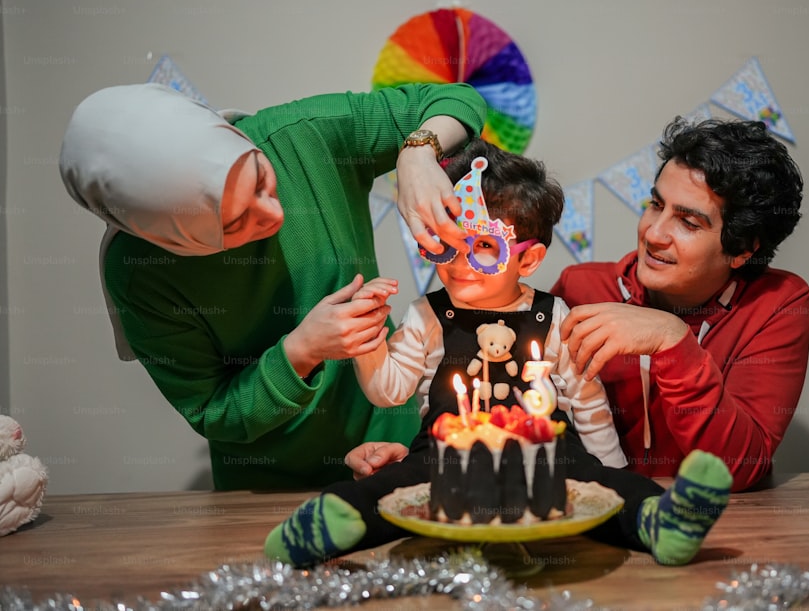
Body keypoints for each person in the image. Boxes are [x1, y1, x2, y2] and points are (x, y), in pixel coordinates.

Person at [264, 139, 733, 569]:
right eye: (447, 246)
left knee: (603, 491)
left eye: (483, 248)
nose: (460, 264)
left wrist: (612, 474)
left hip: (550, 455)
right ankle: (331, 522)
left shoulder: (556, 314)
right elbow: (389, 391)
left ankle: (658, 520)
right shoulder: (426, 315)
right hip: (446, 454)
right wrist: (367, 343)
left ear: (527, 260)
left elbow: (587, 402)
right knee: (392, 490)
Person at [59, 81, 488, 491]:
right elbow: (214, 410)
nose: (274, 215)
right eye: (233, 224)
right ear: (168, 242)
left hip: (394, 448)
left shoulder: (300, 138)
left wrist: (417, 154)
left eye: (261, 178)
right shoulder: (139, 273)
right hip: (268, 487)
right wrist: (302, 351)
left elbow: (454, 98)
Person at [346, 118, 809, 494]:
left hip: (716, 526)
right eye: (655, 205)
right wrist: (425, 458)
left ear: (742, 249)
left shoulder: (778, 305)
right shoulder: (583, 288)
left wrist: (673, 341)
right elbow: (532, 399)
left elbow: (739, 470)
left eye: (687, 221)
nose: (654, 233)